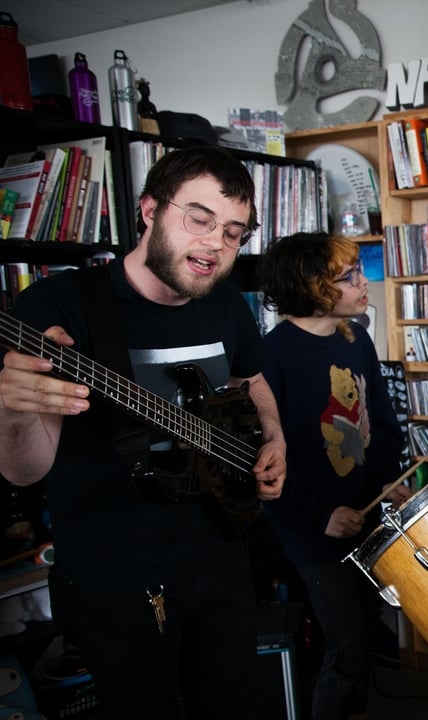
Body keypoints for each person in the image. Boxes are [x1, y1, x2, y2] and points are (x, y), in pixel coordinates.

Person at [0, 145, 286, 718]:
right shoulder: (59, 308)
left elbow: (252, 379)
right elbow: (22, 470)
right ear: (150, 209)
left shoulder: (226, 305)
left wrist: (275, 438)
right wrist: (11, 409)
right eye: (199, 219)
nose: (215, 244)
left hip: (224, 553)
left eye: (233, 232)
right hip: (118, 579)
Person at [256, 232, 409, 720]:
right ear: (313, 288)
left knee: (366, 633)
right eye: (349, 277)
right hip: (312, 531)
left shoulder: (355, 336)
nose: (364, 282)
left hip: (365, 517)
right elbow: (259, 461)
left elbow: (381, 423)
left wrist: (388, 482)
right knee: (345, 652)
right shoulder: (271, 358)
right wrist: (319, 517)